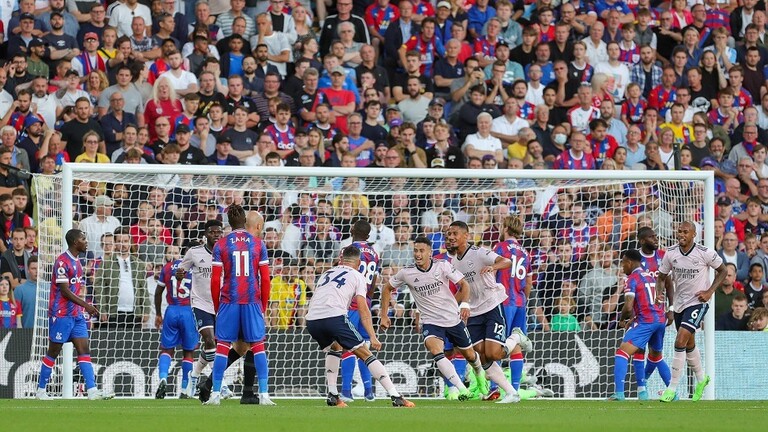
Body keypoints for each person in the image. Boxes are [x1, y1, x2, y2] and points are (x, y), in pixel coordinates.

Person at [305, 245, 414, 408]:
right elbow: (363, 308)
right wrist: (372, 336)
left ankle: (333, 396)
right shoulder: (357, 275)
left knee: (335, 349)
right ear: (359, 263)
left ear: (341, 259)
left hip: (312, 320)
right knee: (366, 353)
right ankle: (395, 396)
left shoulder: (326, 273)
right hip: (334, 317)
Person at [380, 236, 487, 401]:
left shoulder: (442, 266)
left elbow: (464, 284)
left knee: (470, 356)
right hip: (430, 321)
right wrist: (384, 314)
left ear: (430, 252)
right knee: (437, 352)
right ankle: (461, 389)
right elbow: (387, 289)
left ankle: (479, 374)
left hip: (452, 318)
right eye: (415, 250)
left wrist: (464, 304)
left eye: (422, 251)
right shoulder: (406, 272)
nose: (418, 254)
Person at [445, 220, 532, 403]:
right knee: (482, 355)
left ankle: (516, 337)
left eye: (454, 233)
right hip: (474, 312)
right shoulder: (453, 262)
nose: (450, 237)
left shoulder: (479, 252)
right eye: (448, 234)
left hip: (492, 305)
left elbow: (506, 261)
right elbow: (463, 288)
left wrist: (494, 267)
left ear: (466, 236)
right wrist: (451, 305)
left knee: (493, 353)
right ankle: (511, 393)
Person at [205, 205, 272, 406]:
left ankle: (215, 394)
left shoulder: (221, 245)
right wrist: (263, 305)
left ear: (229, 223)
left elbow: (215, 280)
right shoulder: (258, 244)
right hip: (252, 301)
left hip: (228, 301)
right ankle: (265, 395)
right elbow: (266, 279)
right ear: (244, 221)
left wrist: (218, 306)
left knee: (223, 347)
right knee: (258, 346)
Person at [656, 221, 727, 402]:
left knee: (680, 340)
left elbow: (723, 270)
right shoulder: (671, 253)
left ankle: (671, 389)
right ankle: (702, 379)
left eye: (685, 232)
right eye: (679, 231)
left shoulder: (705, 253)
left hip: (698, 302)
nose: (681, 234)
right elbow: (662, 276)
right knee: (688, 344)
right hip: (680, 304)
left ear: (694, 234)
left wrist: (709, 292)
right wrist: (659, 294)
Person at [36, 229, 111, 400]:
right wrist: (87, 305)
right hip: (61, 314)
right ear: (75, 242)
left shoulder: (77, 261)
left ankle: (92, 391)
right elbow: (64, 291)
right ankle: (40, 390)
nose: (86, 242)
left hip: (76, 315)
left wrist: (82, 307)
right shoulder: (62, 262)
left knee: (84, 349)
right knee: (53, 352)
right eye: (83, 239)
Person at [607, 249, 667, 401]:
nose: (622, 268)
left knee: (622, 352)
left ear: (628, 262)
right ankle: (668, 391)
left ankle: (619, 393)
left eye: (622, 264)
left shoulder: (632, 279)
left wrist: (622, 319)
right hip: (660, 319)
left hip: (646, 321)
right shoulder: (651, 276)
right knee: (655, 357)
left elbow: (628, 306)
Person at [339, 220, 380, 402]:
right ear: (368, 235)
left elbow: (343, 275)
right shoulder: (375, 253)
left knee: (347, 346)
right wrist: (368, 299)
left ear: (351, 229)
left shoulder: (348, 251)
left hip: (351, 304)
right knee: (364, 347)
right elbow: (375, 280)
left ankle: (346, 392)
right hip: (366, 305)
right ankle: (369, 391)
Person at [493, 215, 531, 392]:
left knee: (496, 342)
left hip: (503, 301)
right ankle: (514, 387)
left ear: (506, 228)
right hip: (520, 302)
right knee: (514, 343)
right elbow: (529, 282)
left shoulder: (500, 247)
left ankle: (495, 387)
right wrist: (524, 300)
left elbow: (492, 274)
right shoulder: (525, 252)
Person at [153, 250, 197, 399]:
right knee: (189, 351)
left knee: (166, 349)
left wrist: (158, 314)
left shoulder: (167, 267)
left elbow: (158, 292)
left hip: (171, 310)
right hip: (188, 310)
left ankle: (163, 378)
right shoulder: (193, 268)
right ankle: (185, 389)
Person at [636, 226, 672, 398]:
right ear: (642, 241)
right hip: (641, 314)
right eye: (651, 237)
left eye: (656, 236)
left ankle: (643, 382)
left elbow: (669, 283)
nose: (656, 239)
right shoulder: (635, 258)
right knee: (639, 350)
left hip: (659, 313)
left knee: (656, 353)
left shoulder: (663, 257)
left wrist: (671, 308)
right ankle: (642, 388)